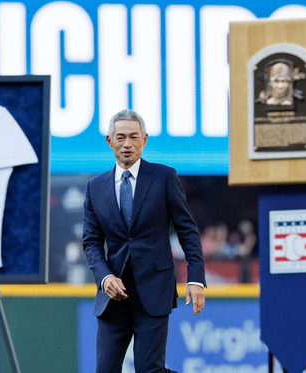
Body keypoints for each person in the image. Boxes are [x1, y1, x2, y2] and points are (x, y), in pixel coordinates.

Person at [83, 109, 206, 372]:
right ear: (109, 141)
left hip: (153, 290)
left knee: (150, 370)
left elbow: (187, 230)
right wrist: (105, 277)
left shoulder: (164, 177)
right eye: (121, 137)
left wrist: (195, 278)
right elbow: (91, 241)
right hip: (112, 296)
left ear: (145, 140)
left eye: (133, 137)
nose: (127, 144)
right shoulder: (95, 187)